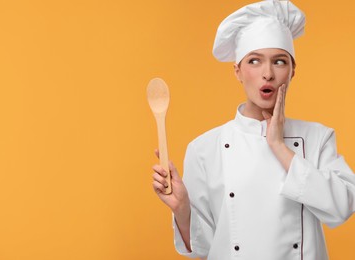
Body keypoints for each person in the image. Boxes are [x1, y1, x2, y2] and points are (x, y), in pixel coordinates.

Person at [151, 0, 355, 259]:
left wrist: (279, 146)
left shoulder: (317, 138)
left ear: (292, 71)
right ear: (237, 71)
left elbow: (342, 207)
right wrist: (181, 208)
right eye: (254, 61)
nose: (268, 73)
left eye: (280, 62)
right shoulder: (204, 148)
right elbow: (202, 249)